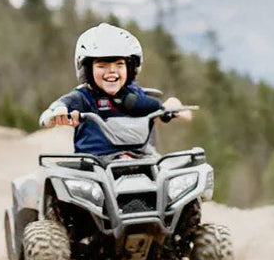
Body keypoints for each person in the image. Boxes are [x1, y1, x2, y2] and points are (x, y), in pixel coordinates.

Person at [39, 23, 190, 160]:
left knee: (179, 173)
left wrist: (172, 108)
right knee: (61, 180)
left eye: (119, 64)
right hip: (93, 169)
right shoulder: (84, 97)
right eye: (102, 65)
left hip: (143, 162)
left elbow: (171, 113)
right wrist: (56, 114)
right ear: (88, 70)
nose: (112, 71)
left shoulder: (136, 96)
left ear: (130, 68)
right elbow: (56, 108)